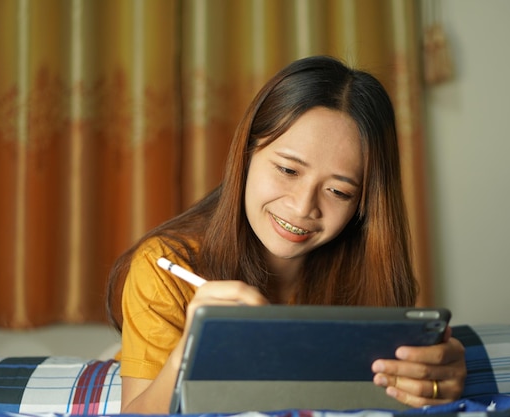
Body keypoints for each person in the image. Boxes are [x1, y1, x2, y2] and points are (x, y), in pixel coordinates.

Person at [106, 55, 466, 414]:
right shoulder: (163, 266)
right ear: (246, 154)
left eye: (339, 192)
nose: (302, 207)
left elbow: (397, 379)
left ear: (364, 205)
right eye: (288, 170)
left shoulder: (370, 266)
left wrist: (435, 373)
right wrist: (189, 350)